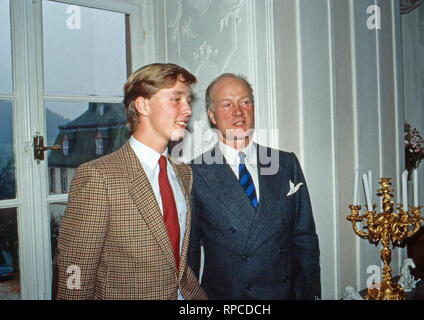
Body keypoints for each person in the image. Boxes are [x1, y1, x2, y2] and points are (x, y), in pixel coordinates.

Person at [55, 63, 207, 300]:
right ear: (142, 104)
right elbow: (75, 271)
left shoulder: (183, 174)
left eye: (188, 100)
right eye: (176, 99)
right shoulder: (99, 177)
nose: (187, 110)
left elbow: (175, 257)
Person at [188, 73, 321, 300]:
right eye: (227, 104)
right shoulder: (195, 173)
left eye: (245, 102)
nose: (238, 112)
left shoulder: (285, 163)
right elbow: (189, 256)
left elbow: (305, 238)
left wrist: (310, 294)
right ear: (212, 115)